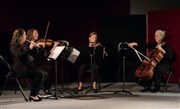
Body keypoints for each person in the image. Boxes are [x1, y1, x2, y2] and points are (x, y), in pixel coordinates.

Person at [10, 28, 48, 101]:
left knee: (45, 73)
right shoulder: (14, 46)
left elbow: (30, 53)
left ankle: (35, 93)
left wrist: (35, 48)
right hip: (20, 69)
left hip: (27, 66)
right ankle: (33, 95)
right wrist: (29, 48)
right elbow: (19, 56)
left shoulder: (23, 44)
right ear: (20, 36)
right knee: (40, 74)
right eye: (24, 35)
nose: (26, 37)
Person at [26, 28, 59, 95]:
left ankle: (46, 88)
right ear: (30, 35)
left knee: (48, 68)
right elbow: (29, 53)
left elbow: (48, 54)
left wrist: (54, 46)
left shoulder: (38, 45)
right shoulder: (28, 44)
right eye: (35, 33)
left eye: (37, 33)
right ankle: (43, 88)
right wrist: (36, 45)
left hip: (38, 64)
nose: (37, 34)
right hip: (32, 65)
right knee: (47, 68)